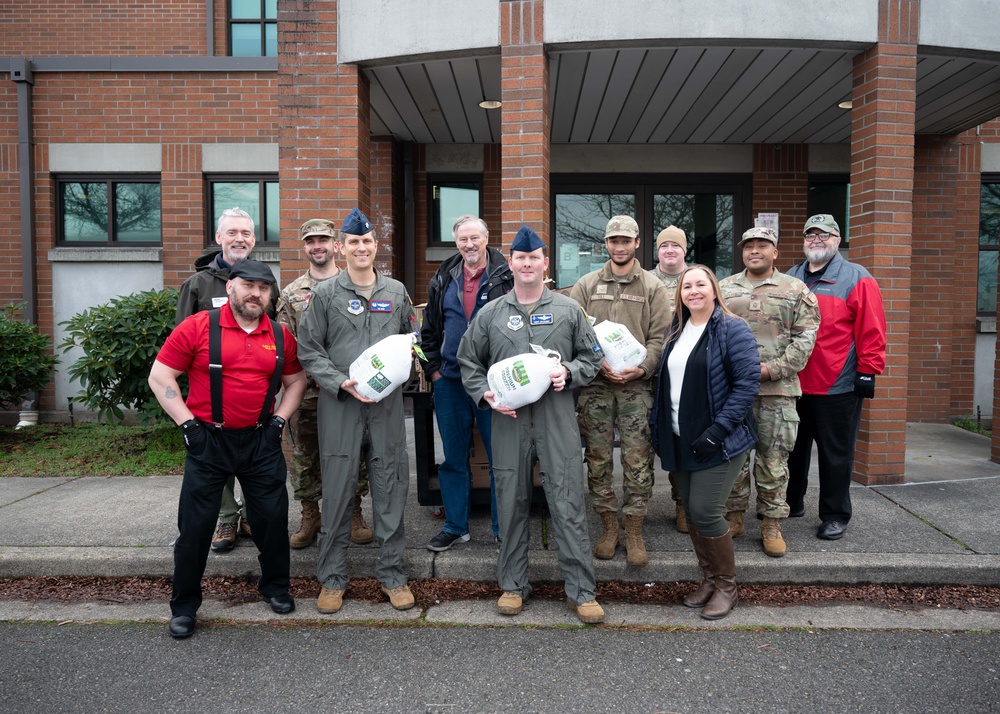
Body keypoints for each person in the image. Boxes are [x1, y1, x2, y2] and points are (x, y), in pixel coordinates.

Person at [148, 258, 306, 639]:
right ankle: (184, 606)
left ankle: (276, 588)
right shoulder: (199, 326)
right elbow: (160, 375)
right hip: (208, 440)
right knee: (195, 529)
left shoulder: (280, 335)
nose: (256, 293)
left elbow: (296, 380)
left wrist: (279, 422)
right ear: (231, 287)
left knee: (271, 521)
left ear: (270, 296)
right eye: (248, 285)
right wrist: (187, 425)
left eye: (264, 288)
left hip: (260, 441)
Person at [458, 225, 606, 624]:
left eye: (534, 257)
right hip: (509, 421)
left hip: (556, 418)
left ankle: (581, 591)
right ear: (511, 263)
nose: (527, 264)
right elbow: (468, 361)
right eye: (520, 258)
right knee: (510, 502)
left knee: (568, 501)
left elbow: (592, 357)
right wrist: (483, 394)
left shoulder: (569, 310)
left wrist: (570, 373)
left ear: (545, 263)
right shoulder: (491, 313)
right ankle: (512, 585)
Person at [296, 208, 418, 614]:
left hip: (385, 407)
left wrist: (410, 367)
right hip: (341, 404)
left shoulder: (397, 292)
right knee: (337, 491)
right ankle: (332, 579)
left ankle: (393, 575)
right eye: (353, 242)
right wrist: (336, 381)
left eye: (367, 241)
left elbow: (412, 340)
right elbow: (308, 349)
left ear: (375, 247)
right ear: (341, 248)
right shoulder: (327, 295)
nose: (361, 247)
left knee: (390, 486)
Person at [650, 265, 759, 620]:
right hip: (679, 438)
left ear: (714, 290)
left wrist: (718, 430)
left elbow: (746, 385)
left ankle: (728, 586)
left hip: (719, 439)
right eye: (687, 286)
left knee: (706, 510)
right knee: (691, 513)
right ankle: (709, 579)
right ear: (679, 293)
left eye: (700, 284)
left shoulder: (732, 328)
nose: (693, 291)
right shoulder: (675, 330)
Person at [175, 207, 280, 554]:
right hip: (211, 396)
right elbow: (179, 342)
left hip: (258, 395)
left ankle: (251, 514)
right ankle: (227, 516)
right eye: (232, 232)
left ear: (254, 240)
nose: (239, 239)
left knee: (257, 460)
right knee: (214, 458)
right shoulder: (199, 284)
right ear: (219, 238)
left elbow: (274, 332)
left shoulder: (267, 282)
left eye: (246, 233)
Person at [569, 215, 669, 565]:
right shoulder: (585, 284)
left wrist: (642, 368)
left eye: (626, 240)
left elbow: (661, 337)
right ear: (606, 244)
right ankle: (609, 526)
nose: (620, 246)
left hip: (636, 387)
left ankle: (634, 528)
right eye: (614, 240)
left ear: (637, 243)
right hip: (596, 386)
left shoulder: (653, 287)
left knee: (638, 458)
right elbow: (576, 332)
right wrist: (598, 364)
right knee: (597, 458)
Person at [719, 227, 820, 557]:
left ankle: (771, 522)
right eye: (748, 246)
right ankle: (733, 517)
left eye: (762, 245)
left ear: (775, 251)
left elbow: (805, 341)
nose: (754, 251)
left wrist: (769, 370)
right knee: (733, 458)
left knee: (773, 462)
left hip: (777, 392)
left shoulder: (795, 290)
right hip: (732, 393)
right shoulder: (724, 288)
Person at [787, 214, 887, 541]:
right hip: (794, 383)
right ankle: (791, 501)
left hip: (838, 386)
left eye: (824, 235)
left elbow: (872, 329)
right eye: (810, 235)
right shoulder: (790, 278)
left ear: (837, 238)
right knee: (792, 448)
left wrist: (868, 371)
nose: (817, 240)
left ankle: (834, 514)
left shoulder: (857, 278)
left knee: (835, 454)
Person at [276, 219, 374, 550]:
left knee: (355, 452)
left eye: (323, 239)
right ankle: (310, 514)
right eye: (310, 241)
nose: (316, 245)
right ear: (304, 248)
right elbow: (287, 346)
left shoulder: (357, 286)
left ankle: (354, 513)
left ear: (336, 245)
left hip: (351, 389)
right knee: (306, 455)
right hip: (308, 392)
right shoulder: (291, 294)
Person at [421, 215, 512, 552]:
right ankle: (456, 526)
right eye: (463, 240)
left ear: (486, 238)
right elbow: (427, 330)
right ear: (455, 242)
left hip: (495, 385)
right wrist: (434, 371)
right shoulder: (444, 276)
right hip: (451, 383)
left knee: (501, 458)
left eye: (475, 238)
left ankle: (504, 529)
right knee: (453, 459)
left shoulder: (506, 274)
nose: (469, 245)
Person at [649, 225, 692, 534]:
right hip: (650, 370)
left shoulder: (697, 280)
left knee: (682, 439)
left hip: (684, 371)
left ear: (684, 250)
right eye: (664, 246)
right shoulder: (646, 281)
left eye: (675, 246)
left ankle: (682, 503)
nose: (669, 251)